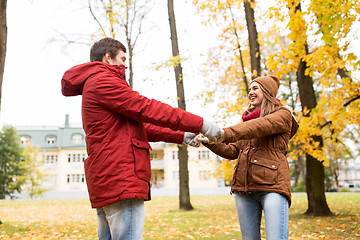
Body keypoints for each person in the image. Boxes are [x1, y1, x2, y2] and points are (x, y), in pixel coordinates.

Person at [61, 37, 223, 240]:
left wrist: (180, 135)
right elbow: (147, 108)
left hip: (109, 177)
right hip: (120, 176)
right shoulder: (103, 81)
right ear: (108, 57)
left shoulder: (94, 83)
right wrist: (201, 124)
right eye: (122, 58)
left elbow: (139, 128)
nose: (125, 64)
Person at [197, 75, 299, 240]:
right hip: (244, 188)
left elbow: (260, 126)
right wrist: (209, 141)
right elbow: (232, 151)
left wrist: (224, 133)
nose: (250, 92)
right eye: (249, 89)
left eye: (255, 88)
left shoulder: (283, 115)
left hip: (272, 186)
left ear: (267, 91)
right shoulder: (246, 123)